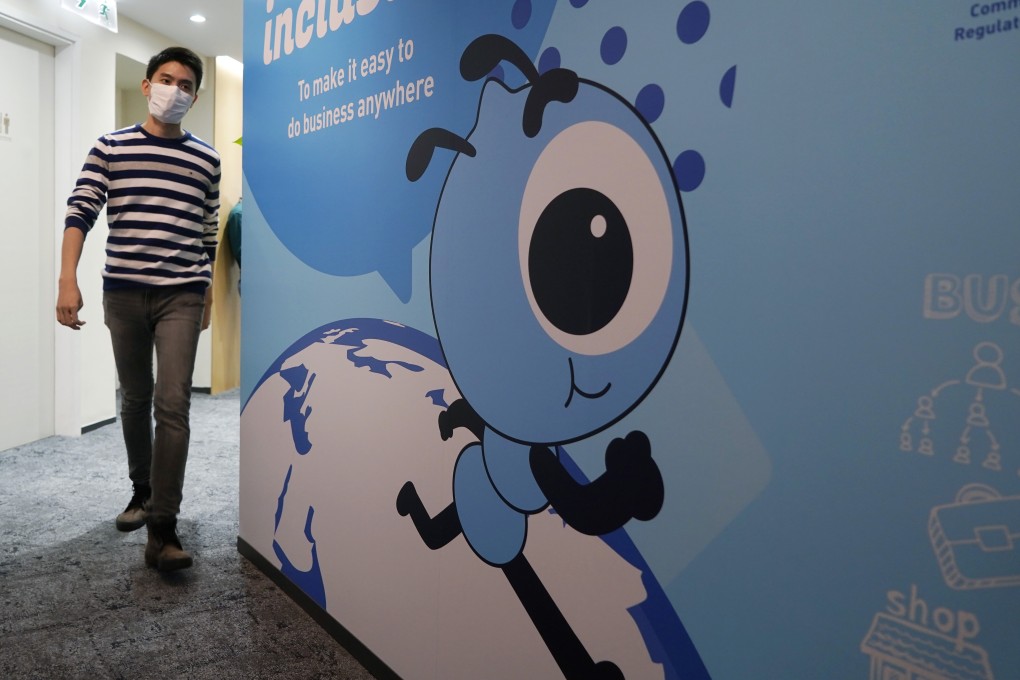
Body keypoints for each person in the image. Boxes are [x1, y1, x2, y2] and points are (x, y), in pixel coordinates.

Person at [56, 46, 221, 572]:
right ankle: (141, 490)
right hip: (124, 293)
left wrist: (208, 293)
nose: (175, 90)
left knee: (173, 404)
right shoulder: (111, 146)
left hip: (181, 293)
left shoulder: (207, 159)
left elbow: (208, 232)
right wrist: (67, 278)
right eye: (166, 79)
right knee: (134, 396)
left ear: (195, 97)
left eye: (187, 84)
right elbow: (81, 209)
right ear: (148, 85)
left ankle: (163, 527)